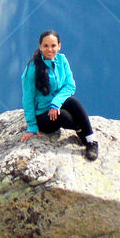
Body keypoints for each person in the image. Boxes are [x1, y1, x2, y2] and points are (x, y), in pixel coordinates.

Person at [21, 30, 99, 161]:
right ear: (40, 47)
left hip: (56, 104)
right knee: (63, 116)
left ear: (59, 46)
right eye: (46, 46)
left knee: (73, 102)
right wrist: (32, 126)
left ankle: (91, 141)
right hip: (42, 116)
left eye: (53, 45)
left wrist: (55, 103)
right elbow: (27, 98)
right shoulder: (32, 69)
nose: (50, 49)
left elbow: (70, 85)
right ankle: (80, 130)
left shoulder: (62, 60)